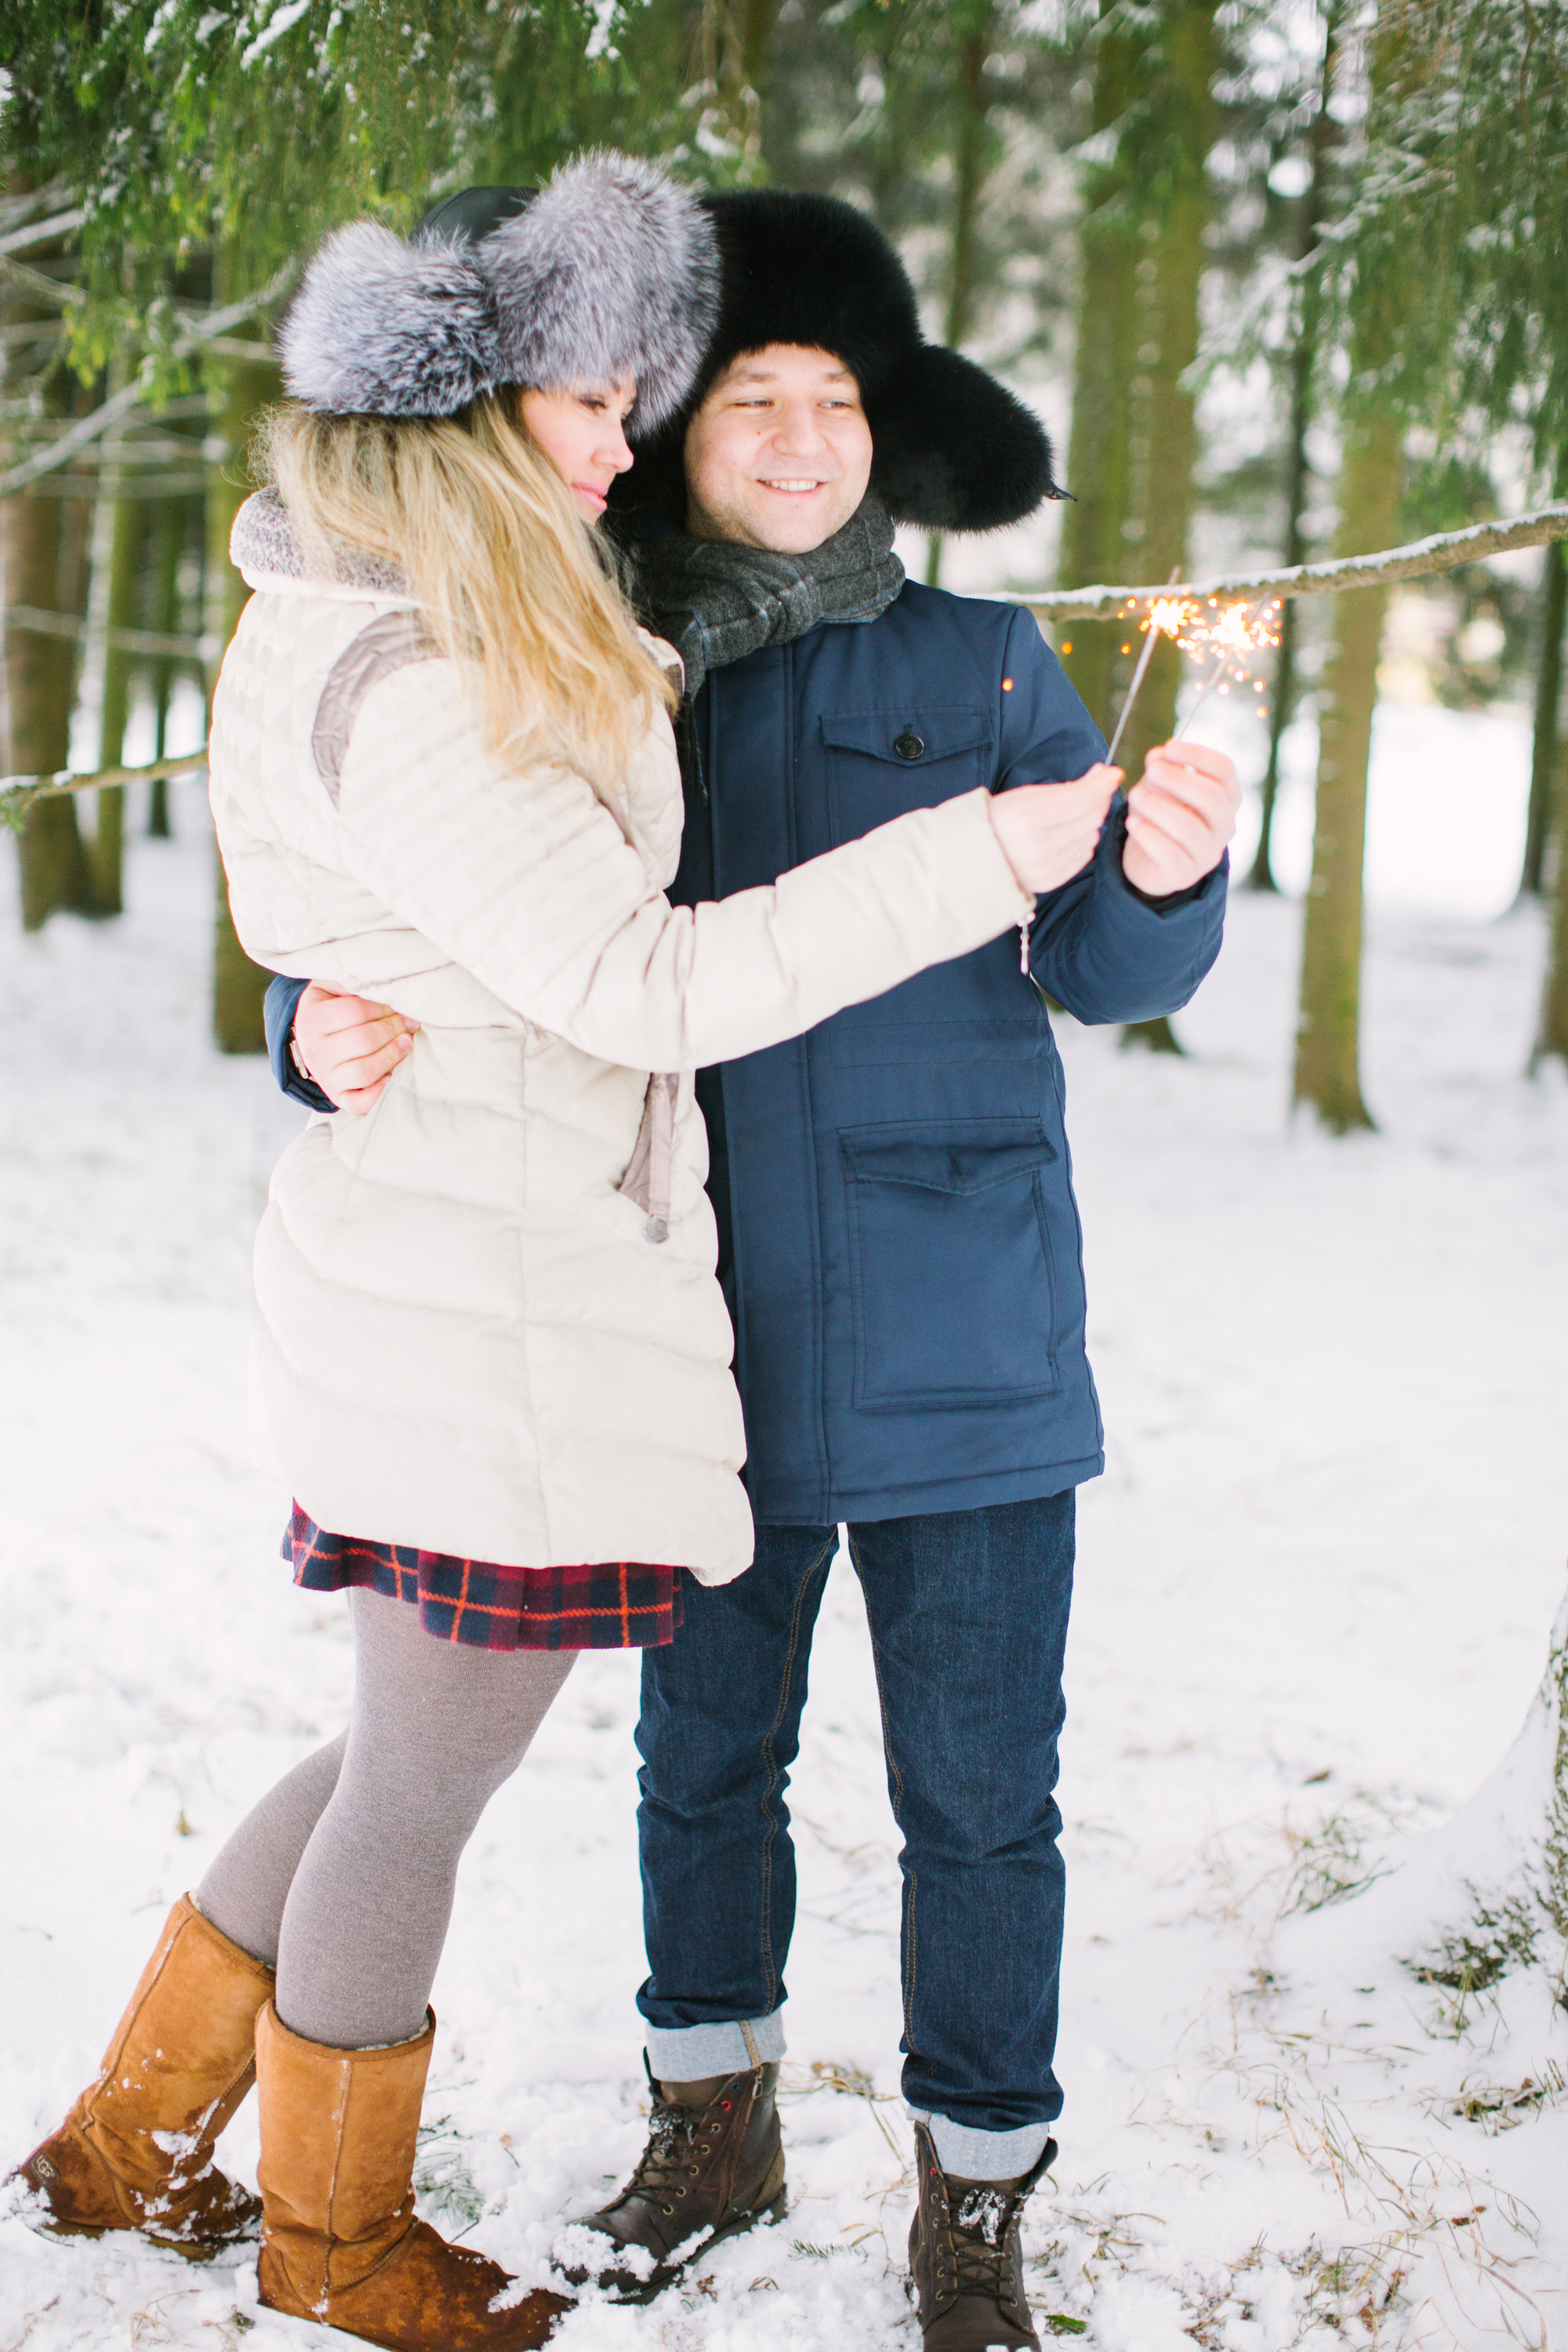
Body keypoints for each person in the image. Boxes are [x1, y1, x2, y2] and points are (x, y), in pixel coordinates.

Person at [8, 162, 1116, 2352]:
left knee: (385, 1760)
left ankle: (129, 2147)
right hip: (488, 1303)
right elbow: (631, 980)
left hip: (457, 1269)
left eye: (635, 400)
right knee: (421, 1784)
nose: (634, 439)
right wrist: (970, 853)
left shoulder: (440, 596)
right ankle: (334, 2243)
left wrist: (315, 1011)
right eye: (601, 400)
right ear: (476, 399)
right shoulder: (423, 658)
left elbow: (403, 918)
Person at [270, 189, 1240, 2352]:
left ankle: (977, 2197)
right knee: (705, 1767)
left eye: (840, 404)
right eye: (755, 402)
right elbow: (424, 904)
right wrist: (302, 1024)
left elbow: (1099, 964)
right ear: (676, 431)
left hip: (969, 1343)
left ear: (887, 434)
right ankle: (711, 2125)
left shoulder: (988, 663)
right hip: (687, 1342)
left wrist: (1169, 881)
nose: (804, 442)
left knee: (980, 1801)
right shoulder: (570, 659)